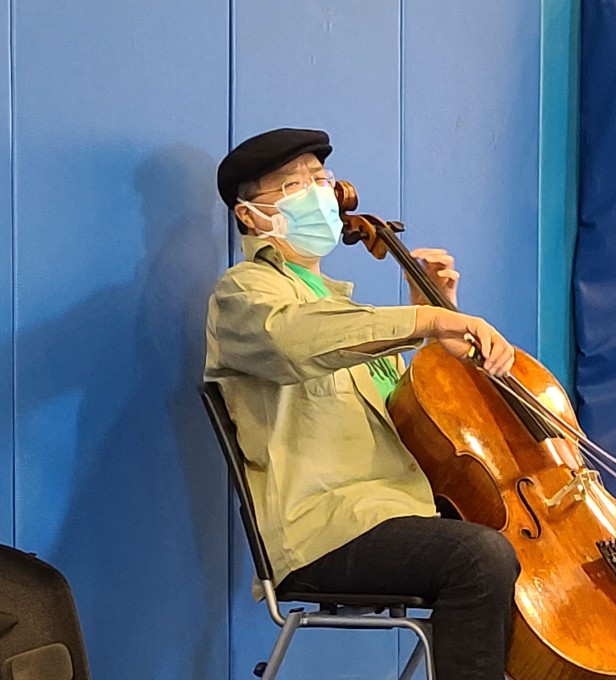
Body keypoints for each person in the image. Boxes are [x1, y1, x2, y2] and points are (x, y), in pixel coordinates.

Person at [205, 127, 521, 679]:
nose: (317, 192)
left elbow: (420, 423)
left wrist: (432, 315)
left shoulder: (357, 317)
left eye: (320, 179)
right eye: (292, 184)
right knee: (479, 558)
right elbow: (295, 338)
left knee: (510, 543)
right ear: (251, 216)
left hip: (396, 514)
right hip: (322, 530)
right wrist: (425, 321)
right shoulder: (244, 294)